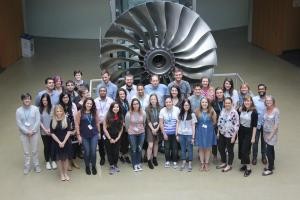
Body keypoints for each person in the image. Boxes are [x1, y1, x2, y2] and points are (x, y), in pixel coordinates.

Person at [16, 93, 41, 174]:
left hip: (34, 133)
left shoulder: (35, 109)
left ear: (30, 100)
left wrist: (32, 131)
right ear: (22, 100)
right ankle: (27, 167)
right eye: (25, 99)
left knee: (35, 151)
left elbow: (38, 121)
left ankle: (36, 166)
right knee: (26, 152)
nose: (27, 100)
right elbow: (19, 123)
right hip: (24, 134)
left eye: (29, 99)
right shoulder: (18, 111)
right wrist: (27, 132)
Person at [75, 97, 100, 175]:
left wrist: (99, 133)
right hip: (84, 135)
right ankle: (87, 166)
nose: (89, 105)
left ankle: (93, 166)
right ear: (85, 104)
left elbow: (97, 123)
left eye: (91, 104)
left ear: (92, 105)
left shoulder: (94, 112)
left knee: (93, 152)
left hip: (94, 134)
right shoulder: (79, 113)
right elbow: (77, 125)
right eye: (88, 103)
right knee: (87, 152)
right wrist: (78, 135)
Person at [216, 97, 239, 172]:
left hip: (231, 135)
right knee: (220, 148)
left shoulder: (234, 112)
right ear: (224, 104)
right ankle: (224, 162)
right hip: (222, 133)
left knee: (230, 150)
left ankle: (229, 165)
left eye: (229, 103)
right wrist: (218, 132)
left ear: (232, 103)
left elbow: (237, 125)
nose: (227, 104)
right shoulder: (223, 111)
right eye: (226, 103)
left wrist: (234, 136)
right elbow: (219, 122)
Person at [50, 105, 73, 181]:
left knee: (66, 159)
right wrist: (59, 142)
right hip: (56, 143)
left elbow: (69, 131)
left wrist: (63, 142)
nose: (59, 112)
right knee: (59, 159)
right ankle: (61, 174)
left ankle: (65, 173)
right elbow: (52, 133)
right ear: (55, 112)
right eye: (57, 111)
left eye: (60, 111)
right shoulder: (52, 120)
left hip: (66, 142)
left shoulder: (66, 119)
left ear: (63, 111)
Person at [195, 97, 217, 171]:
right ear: (201, 103)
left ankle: (206, 163)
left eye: (206, 102)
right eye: (203, 102)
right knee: (201, 148)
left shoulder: (211, 110)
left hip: (209, 131)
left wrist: (209, 126)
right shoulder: (197, 111)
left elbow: (214, 121)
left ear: (208, 103)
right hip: (200, 130)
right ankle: (202, 163)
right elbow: (195, 121)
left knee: (208, 148)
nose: (204, 104)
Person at [238, 95, 258, 177]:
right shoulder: (241, 109)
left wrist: (253, 137)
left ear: (251, 102)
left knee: (245, 150)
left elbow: (254, 126)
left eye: (248, 101)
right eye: (245, 101)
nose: (247, 102)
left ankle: (249, 168)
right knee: (241, 148)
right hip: (241, 131)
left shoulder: (254, 112)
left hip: (249, 132)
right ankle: (244, 164)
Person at [59, 92, 79, 170]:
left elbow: (76, 117)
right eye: (64, 97)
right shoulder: (59, 107)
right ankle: (68, 163)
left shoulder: (73, 105)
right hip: (64, 130)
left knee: (74, 146)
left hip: (73, 129)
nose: (66, 99)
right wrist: (67, 131)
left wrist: (75, 130)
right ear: (61, 99)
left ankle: (73, 161)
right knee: (67, 146)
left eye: (67, 97)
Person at [125, 98, 147, 172]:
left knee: (139, 148)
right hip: (132, 133)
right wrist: (130, 131)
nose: (136, 105)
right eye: (134, 104)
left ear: (139, 104)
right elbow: (127, 125)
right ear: (132, 105)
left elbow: (144, 123)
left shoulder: (143, 113)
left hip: (141, 133)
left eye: (137, 104)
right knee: (133, 149)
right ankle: (134, 164)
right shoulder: (128, 114)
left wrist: (141, 129)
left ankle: (138, 163)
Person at [94, 86, 114, 165]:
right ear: (99, 92)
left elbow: (113, 111)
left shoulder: (110, 100)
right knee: (100, 142)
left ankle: (111, 157)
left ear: (106, 92)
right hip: (99, 125)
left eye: (104, 91)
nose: (102, 92)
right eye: (101, 91)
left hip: (109, 125)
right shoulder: (95, 101)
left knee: (109, 140)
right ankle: (102, 157)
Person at [103, 102, 124, 175]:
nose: (116, 108)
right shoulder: (107, 116)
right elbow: (104, 129)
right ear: (111, 108)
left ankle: (115, 164)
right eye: (114, 107)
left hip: (117, 137)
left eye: (117, 107)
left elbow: (121, 128)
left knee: (116, 151)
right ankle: (111, 165)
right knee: (109, 151)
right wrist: (110, 138)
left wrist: (118, 138)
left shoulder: (121, 116)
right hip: (108, 137)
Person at [159, 97, 180, 168]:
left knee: (175, 147)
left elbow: (179, 121)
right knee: (167, 148)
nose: (168, 103)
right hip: (166, 133)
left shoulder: (177, 109)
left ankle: (174, 161)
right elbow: (161, 123)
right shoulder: (162, 110)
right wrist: (164, 133)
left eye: (169, 102)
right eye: (166, 102)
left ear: (172, 102)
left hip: (175, 132)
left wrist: (177, 134)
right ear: (165, 103)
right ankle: (167, 161)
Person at [176, 99, 196, 172]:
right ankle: (183, 162)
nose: (186, 106)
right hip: (181, 134)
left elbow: (193, 126)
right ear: (182, 106)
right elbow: (177, 124)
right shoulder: (179, 114)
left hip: (189, 135)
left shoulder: (192, 114)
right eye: (185, 105)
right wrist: (177, 134)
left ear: (190, 106)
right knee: (183, 149)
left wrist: (193, 137)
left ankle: (190, 163)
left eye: (187, 105)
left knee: (190, 149)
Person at [262, 95, 279, 176]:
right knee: (271, 149)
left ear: (273, 102)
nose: (268, 102)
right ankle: (272, 164)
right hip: (265, 132)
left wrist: (271, 135)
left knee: (268, 151)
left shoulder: (276, 111)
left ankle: (270, 169)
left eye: (270, 101)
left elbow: (276, 125)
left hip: (272, 134)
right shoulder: (265, 109)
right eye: (267, 101)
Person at [39, 93, 57, 170]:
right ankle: (47, 161)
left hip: (52, 130)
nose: (44, 102)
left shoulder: (53, 107)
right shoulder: (39, 109)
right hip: (44, 131)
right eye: (43, 100)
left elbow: (55, 119)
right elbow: (39, 121)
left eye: (46, 100)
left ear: (48, 100)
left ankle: (53, 160)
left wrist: (50, 129)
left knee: (53, 146)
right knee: (46, 147)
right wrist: (45, 130)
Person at [252, 83, 267, 165]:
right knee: (255, 141)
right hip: (256, 125)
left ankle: (263, 157)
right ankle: (254, 157)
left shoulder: (268, 99)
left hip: (265, 125)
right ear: (258, 90)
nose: (261, 90)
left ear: (265, 90)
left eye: (262, 89)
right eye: (259, 89)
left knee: (264, 142)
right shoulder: (254, 99)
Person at [115, 88, 131, 164]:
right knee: (121, 141)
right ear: (118, 95)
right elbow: (116, 115)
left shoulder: (126, 102)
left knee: (126, 141)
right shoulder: (116, 103)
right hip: (120, 125)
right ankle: (121, 155)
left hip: (128, 125)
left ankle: (126, 154)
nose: (122, 95)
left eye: (123, 94)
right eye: (120, 94)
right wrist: (122, 123)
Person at [145, 94, 161, 169]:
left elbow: (161, 120)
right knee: (150, 145)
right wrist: (153, 129)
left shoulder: (160, 108)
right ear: (150, 100)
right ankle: (149, 160)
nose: (153, 100)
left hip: (158, 128)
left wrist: (157, 128)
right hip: (150, 128)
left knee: (156, 143)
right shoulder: (147, 109)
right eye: (151, 99)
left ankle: (154, 158)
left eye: (154, 99)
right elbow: (147, 120)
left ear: (157, 100)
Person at [211, 87, 224, 162]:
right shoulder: (213, 102)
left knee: (223, 141)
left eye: (220, 92)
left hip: (225, 124)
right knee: (215, 140)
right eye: (217, 93)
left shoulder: (226, 101)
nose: (219, 94)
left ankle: (223, 155)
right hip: (216, 123)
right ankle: (215, 155)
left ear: (223, 93)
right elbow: (211, 113)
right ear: (215, 94)